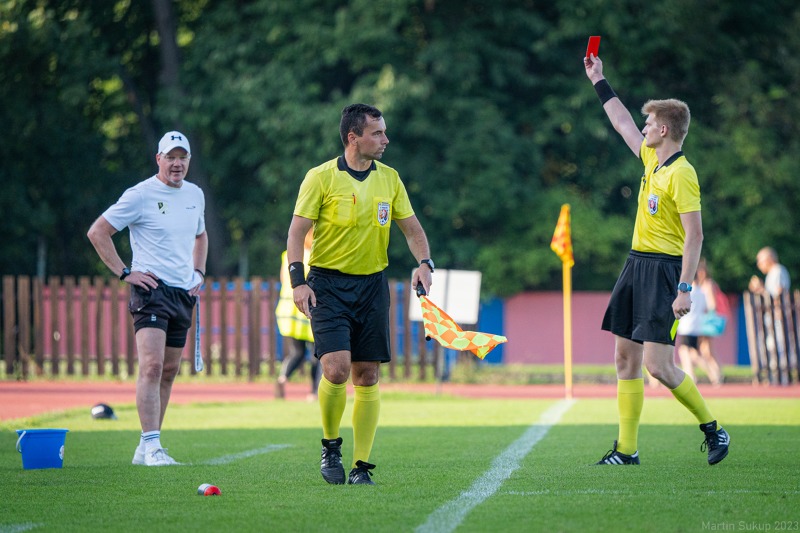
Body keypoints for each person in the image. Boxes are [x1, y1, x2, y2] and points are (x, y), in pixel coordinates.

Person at [584, 53, 730, 466]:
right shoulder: (652, 159)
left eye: (649, 123)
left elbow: (695, 236)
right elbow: (621, 122)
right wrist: (598, 79)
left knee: (658, 367)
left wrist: (684, 288)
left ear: (664, 130)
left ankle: (713, 428)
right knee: (624, 359)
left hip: (665, 272)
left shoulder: (683, 173)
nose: (643, 127)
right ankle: (626, 451)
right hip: (636, 265)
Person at [287, 103, 433, 485]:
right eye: (377, 133)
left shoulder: (390, 179)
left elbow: (413, 230)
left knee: (367, 375)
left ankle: (361, 467)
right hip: (327, 285)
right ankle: (331, 445)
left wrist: (424, 263)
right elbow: (296, 232)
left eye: (384, 132)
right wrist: (298, 282)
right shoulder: (320, 177)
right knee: (336, 368)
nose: (386, 139)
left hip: (372, 286)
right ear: (353, 138)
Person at [87, 131, 207, 466]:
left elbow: (201, 235)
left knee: (169, 370)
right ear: (159, 159)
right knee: (152, 366)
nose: (177, 163)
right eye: (170, 157)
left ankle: (147, 446)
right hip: (151, 291)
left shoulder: (195, 194)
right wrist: (125, 273)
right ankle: (153, 445)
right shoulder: (140, 195)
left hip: (183, 293)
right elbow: (98, 232)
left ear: (188, 161)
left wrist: (199, 272)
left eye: (182, 157)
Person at [275, 228, 320, 401]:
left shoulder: (287, 255)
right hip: (307, 310)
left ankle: (282, 378)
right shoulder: (314, 258)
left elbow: (283, 280)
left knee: (297, 352)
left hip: (288, 308)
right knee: (316, 353)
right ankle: (314, 391)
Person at [676, 260, 724, 386]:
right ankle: (710, 374)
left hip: (687, 326)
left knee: (687, 352)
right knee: (692, 352)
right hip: (697, 326)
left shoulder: (689, 293)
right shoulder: (701, 292)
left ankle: (697, 374)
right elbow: (706, 307)